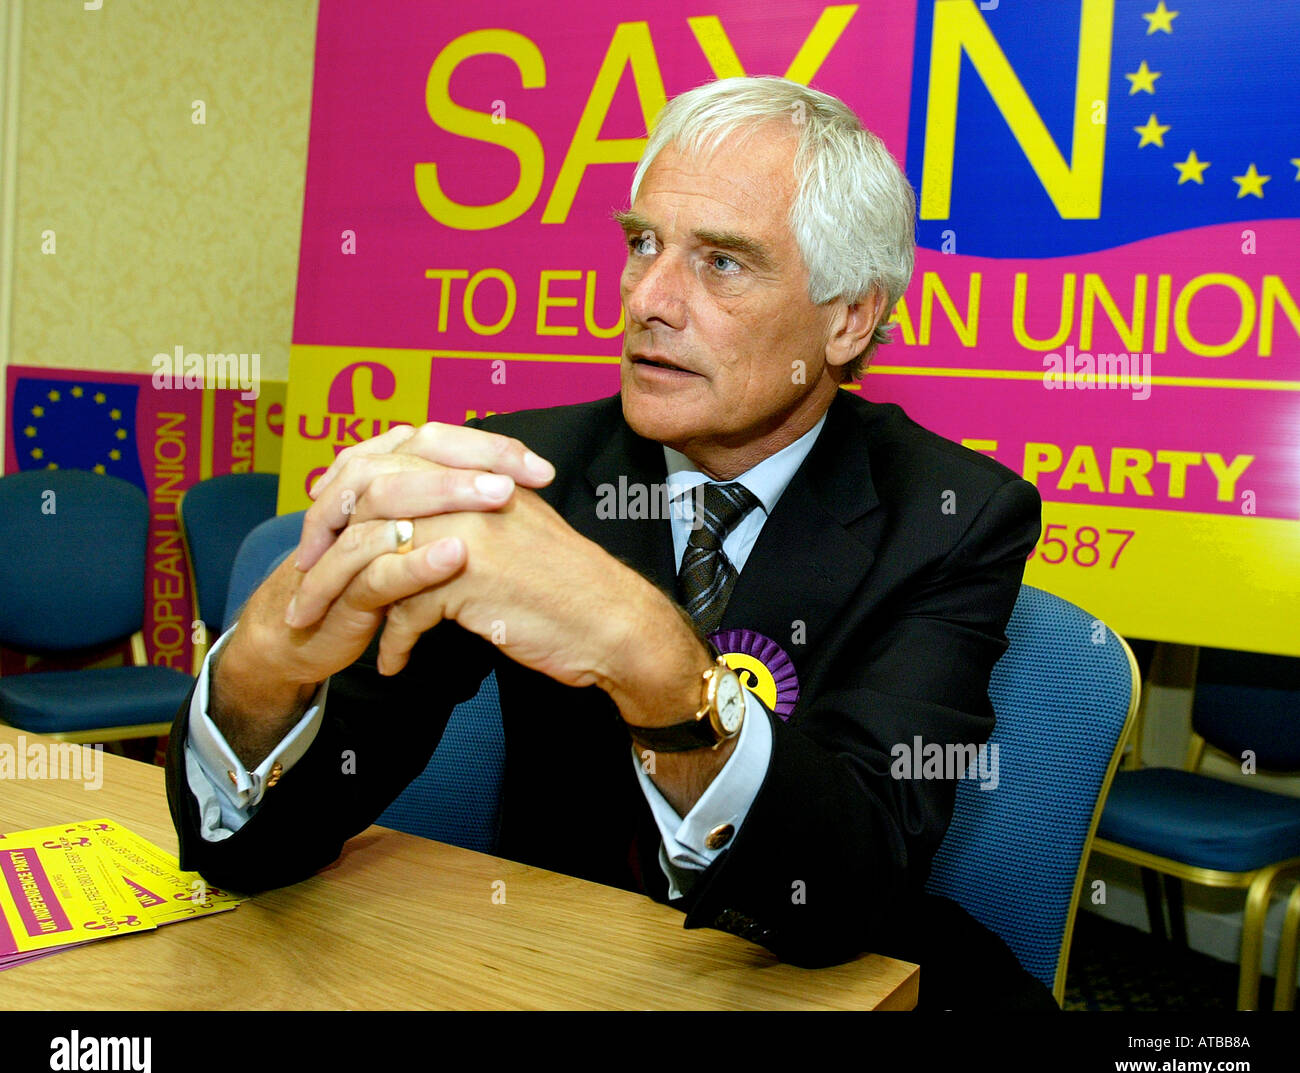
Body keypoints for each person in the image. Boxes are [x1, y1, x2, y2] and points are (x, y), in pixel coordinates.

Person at [166, 76, 1050, 1008]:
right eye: (642, 244)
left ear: (848, 319)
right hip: (557, 968)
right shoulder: (521, 469)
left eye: (723, 263)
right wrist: (264, 670)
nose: (648, 300)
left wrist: (645, 649)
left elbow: (847, 890)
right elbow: (260, 850)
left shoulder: (951, 513)